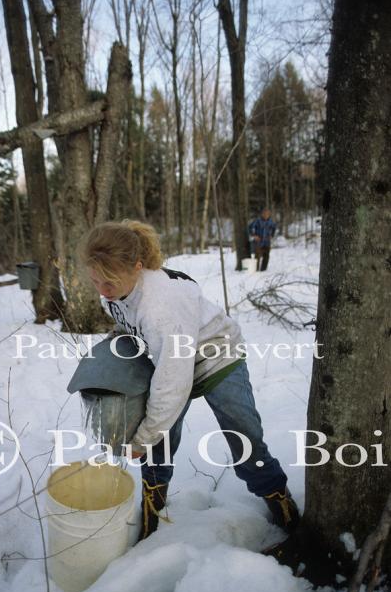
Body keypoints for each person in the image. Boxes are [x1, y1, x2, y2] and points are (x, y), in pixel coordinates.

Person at [82, 219, 299, 542]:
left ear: (137, 268)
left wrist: (141, 439)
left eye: (108, 283)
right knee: (161, 440)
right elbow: (130, 325)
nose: (102, 291)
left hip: (216, 358)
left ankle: (277, 497)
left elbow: (173, 384)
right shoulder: (114, 290)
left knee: (243, 434)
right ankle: (152, 502)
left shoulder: (161, 307)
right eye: (96, 281)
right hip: (173, 356)